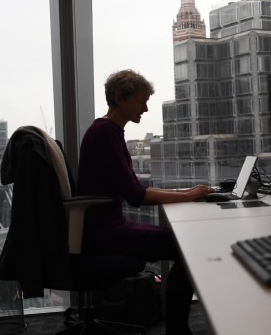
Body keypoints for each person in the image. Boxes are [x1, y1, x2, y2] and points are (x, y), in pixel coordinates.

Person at [76, 69, 213, 334]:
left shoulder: (107, 131)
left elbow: (133, 188)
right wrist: (187, 196)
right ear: (120, 98)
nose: (146, 108)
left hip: (103, 227)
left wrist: (186, 192)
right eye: (141, 102)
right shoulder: (106, 134)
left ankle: (177, 328)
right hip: (104, 232)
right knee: (187, 246)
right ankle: (177, 331)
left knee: (182, 243)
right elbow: (136, 195)